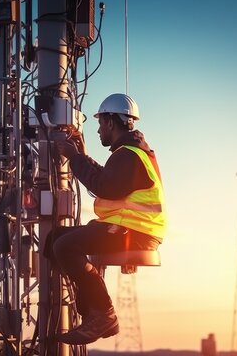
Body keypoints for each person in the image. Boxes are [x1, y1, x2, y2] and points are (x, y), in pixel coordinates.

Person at [50, 93, 166, 345]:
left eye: (100, 124)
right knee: (55, 238)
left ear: (111, 122)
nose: (99, 130)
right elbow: (107, 179)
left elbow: (103, 186)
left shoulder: (130, 154)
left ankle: (103, 314)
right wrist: (81, 155)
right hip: (127, 228)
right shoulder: (129, 153)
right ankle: (91, 310)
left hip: (136, 233)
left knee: (64, 246)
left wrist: (74, 157)